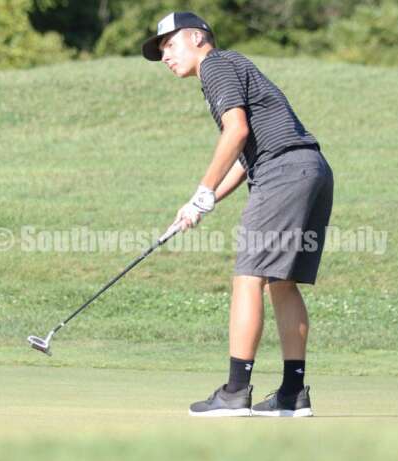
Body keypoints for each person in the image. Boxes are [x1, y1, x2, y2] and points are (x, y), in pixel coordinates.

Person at [141, 12, 334, 417]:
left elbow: (237, 131)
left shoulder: (216, 66)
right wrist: (205, 202)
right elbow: (246, 157)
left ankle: (235, 391)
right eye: (161, 50)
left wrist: (201, 192)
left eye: (170, 45)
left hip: (283, 171)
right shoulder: (234, 66)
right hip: (310, 169)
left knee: (249, 275)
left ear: (197, 37)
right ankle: (292, 394)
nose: (165, 56)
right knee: (281, 282)